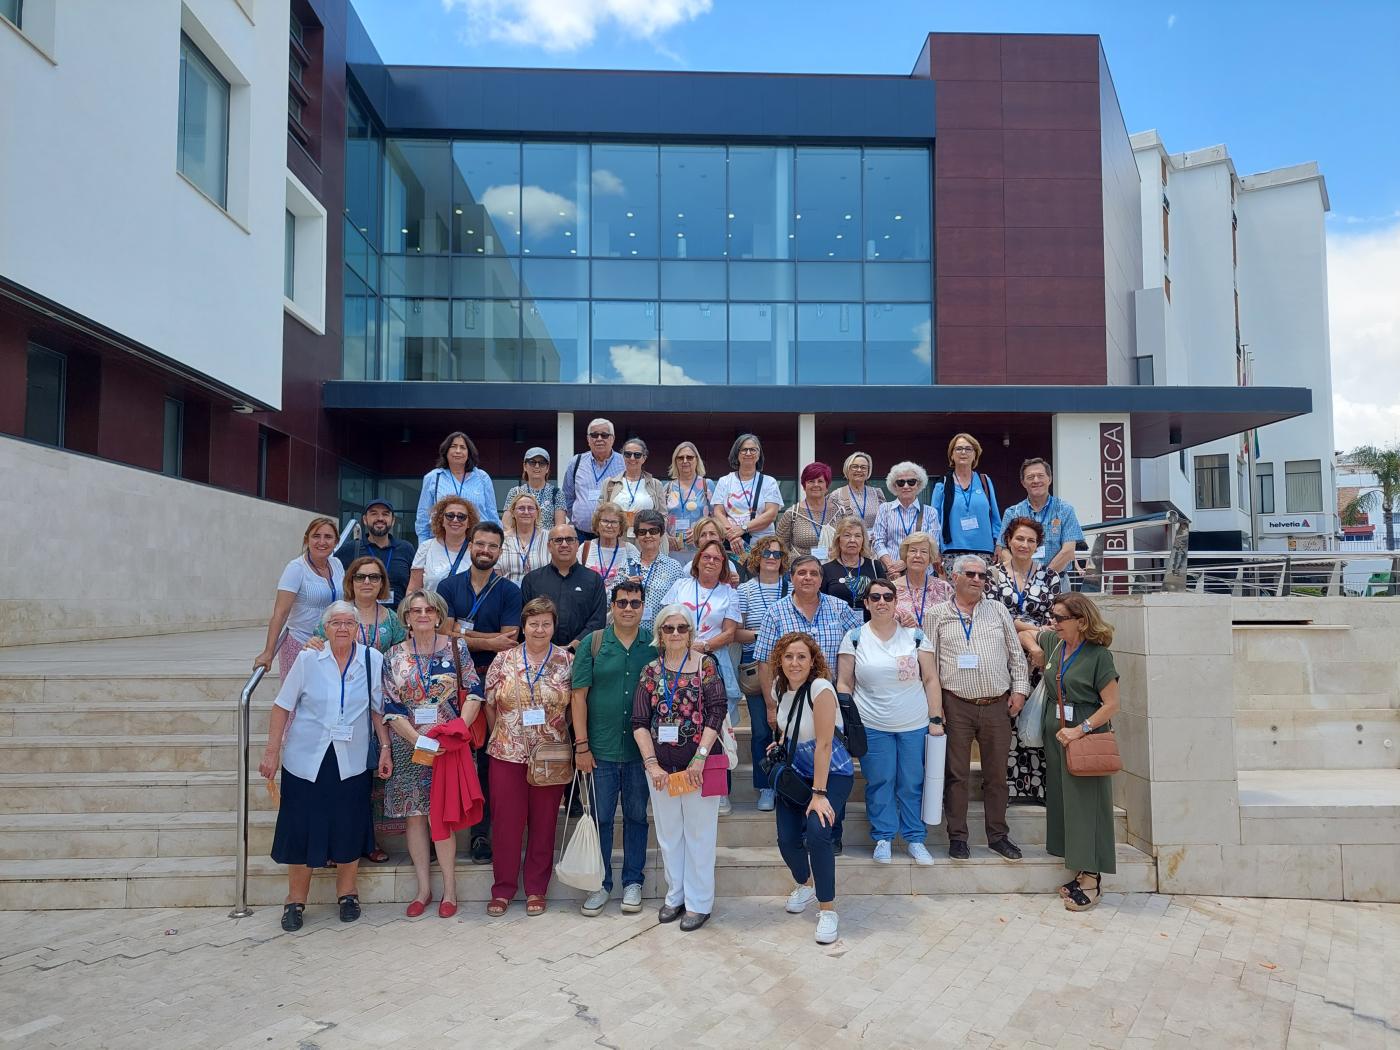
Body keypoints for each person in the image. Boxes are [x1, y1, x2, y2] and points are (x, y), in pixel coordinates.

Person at [259, 601, 391, 931]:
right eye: (336, 623)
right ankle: (295, 901)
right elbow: (281, 707)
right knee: (300, 828)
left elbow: (377, 710)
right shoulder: (308, 659)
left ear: (358, 628)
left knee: (348, 825)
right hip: (307, 759)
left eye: (349, 622)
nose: (343, 628)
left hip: (351, 759)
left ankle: (348, 893)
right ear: (325, 628)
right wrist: (271, 752)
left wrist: (386, 748)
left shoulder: (372, 660)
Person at [381, 590, 483, 919]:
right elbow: (391, 706)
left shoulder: (456, 647)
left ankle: (450, 891)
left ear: (438, 615)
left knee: (443, 816)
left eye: (428, 610)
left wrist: (457, 729)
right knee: (415, 816)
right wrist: (418, 741)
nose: (422, 615)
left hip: (449, 746)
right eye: (415, 611)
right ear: (406, 618)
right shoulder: (393, 655)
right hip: (410, 746)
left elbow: (474, 691)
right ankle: (423, 889)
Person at [920, 554, 1030, 862]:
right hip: (956, 704)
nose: (977, 579)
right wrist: (935, 710)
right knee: (956, 775)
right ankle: (958, 837)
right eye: (970, 574)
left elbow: (1014, 654)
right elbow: (928, 666)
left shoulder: (997, 610)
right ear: (954, 577)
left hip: (997, 704)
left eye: (983, 575)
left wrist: (1020, 691)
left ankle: (998, 836)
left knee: (996, 775)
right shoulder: (937, 614)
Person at [753, 554, 861, 853]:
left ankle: (831, 831)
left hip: (829, 705)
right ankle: (801, 829)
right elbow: (763, 661)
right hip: (792, 705)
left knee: (831, 768)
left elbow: (865, 634)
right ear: (792, 577)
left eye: (814, 573)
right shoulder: (776, 612)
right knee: (798, 768)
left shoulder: (839, 608)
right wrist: (771, 706)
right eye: (802, 572)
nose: (808, 578)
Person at [631, 605, 726, 932]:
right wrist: (652, 764)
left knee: (700, 835)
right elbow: (640, 722)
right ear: (659, 633)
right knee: (670, 835)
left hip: (700, 767)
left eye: (681, 628)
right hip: (663, 770)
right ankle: (676, 896)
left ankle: (700, 903)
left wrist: (699, 757)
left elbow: (717, 711)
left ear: (691, 632)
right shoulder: (650, 671)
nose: (675, 634)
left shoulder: (706, 666)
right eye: (668, 628)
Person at [835, 579, 943, 866]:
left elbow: (931, 679)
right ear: (867, 603)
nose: (881, 601)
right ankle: (883, 837)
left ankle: (915, 838)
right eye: (875, 597)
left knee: (911, 782)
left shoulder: (916, 636)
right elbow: (844, 682)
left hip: (914, 722)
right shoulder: (855, 637)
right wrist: (847, 721)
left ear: (896, 602)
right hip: (872, 724)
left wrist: (936, 718)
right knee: (880, 781)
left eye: (887, 596)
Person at [310, 556, 407, 865]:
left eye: (375, 577)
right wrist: (312, 643)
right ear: (350, 581)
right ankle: (329, 845)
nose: (367, 582)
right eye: (361, 576)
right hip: (340, 708)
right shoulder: (338, 615)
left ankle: (367, 841)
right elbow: (316, 647)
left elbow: (402, 657)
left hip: (378, 707)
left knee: (370, 780)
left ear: (382, 583)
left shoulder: (391, 619)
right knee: (336, 779)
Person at [483, 597, 575, 916]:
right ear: (523, 626)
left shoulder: (566, 660)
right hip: (506, 754)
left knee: (544, 823)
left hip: (551, 755)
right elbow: (490, 703)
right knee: (507, 824)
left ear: (554, 626)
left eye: (545, 623)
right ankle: (503, 889)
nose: (539, 629)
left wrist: (559, 735)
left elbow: (574, 707)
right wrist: (506, 734)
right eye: (533, 623)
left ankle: (536, 888)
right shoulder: (504, 659)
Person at [437, 521, 523, 864]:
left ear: (500, 552)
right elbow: (444, 633)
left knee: (487, 759)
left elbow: (509, 640)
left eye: (492, 546)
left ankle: (481, 833)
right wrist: (485, 639)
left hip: (492, 681)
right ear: (469, 546)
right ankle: (440, 828)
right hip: (451, 682)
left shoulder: (509, 590)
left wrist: (463, 633)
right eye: (480, 544)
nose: (485, 550)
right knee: (450, 753)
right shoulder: (449, 585)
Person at [571, 579, 657, 916]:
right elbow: (578, 697)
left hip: (641, 751)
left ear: (643, 606)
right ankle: (601, 884)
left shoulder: (654, 643)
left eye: (635, 603)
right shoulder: (593, 644)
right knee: (601, 819)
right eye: (622, 603)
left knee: (636, 817)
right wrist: (581, 746)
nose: (628, 609)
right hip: (600, 749)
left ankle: (633, 881)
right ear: (612, 605)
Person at [768, 631, 851, 946]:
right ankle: (805, 883)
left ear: (813, 660)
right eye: (788, 656)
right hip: (796, 773)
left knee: (817, 833)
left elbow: (825, 744)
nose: (794, 662)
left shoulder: (821, 688)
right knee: (787, 839)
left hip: (831, 775)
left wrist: (818, 794)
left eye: (801, 656)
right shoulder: (782, 690)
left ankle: (827, 910)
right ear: (780, 660)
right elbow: (791, 730)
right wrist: (778, 745)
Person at [1039, 593, 1120, 911]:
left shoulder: (1099, 656)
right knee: (1066, 803)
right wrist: (1033, 645)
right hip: (1057, 740)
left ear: (1081, 621)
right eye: (1052, 616)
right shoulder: (1055, 644)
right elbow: (1027, 630)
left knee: (1088, 806)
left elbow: (1112, 704)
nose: (1053, 622)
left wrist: (1079, 730)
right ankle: (1079, 868)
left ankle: (1093, 878)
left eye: (1060, 618)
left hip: (1083, 738)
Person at [660, 539, 741, 814]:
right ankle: (679, 781)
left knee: (716, 723)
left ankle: (720, 789)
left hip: (712, 661)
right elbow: (664, 619)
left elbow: (730, 632)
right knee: (681, 719)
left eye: (717, 559)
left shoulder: (728, 593)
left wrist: (702, 646)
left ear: (723, 565)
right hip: (675, 661)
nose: (710, 562)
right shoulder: (681, 586)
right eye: (705, 557)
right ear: (696, 561)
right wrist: (680, 643)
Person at [987, 516, 1063, 804]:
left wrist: (1034, 640)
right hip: (1004, 657)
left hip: (1040, 661)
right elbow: (997, 616)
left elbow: (1053, 620)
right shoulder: (992, 575)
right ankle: (1006, 789)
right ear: (1009, 540)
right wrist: (1031, 638)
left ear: (1038, 545)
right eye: (1020, 538)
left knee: (1038, 719)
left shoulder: (1050, 577)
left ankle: (1040, 788)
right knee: (1008, 723)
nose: (1025, 544)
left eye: (1031, 540)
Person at [735, 537, 789, 812]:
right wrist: (765, 634)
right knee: (760, 730)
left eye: (777, 554)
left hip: (789, 667)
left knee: (790, 730)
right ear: (757, 556)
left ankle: (789, 784)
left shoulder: (790, 587)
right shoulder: (745, 591)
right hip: (756, 665)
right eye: (766, 553)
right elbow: (737, 632)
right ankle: (765, 786)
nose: (771, 558)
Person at [254, 517, 346, 677]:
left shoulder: (337, 564)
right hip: (301, 643)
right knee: (297, 698)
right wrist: (268, 652)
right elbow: (280, 614)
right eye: (316, 536)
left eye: (328, 537)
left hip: (330, 645)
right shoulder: (296, 568)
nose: (322, 542)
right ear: (307, 539)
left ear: (336, 542)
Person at [520, 523, 607, 651]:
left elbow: (598, 620)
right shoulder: (532, 580)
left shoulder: (594, 580)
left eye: (570, 540)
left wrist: (575, 645)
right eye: (558, 540)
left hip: (582, 655)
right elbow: (524, 618)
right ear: (549, 546)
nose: (564, 544)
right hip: (540, 654)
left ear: (577, 545)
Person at [928, 433, 1003, 573]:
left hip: (984, 551)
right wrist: (935, 550)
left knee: (982, 593)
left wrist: (999, 544)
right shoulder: (942, 484)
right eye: (958, 449)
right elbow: (933, 521)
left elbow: (995, 518)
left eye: (968, 449)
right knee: (954, 593)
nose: (963, 452)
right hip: (952, 551)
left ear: (975, 454)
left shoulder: (984, 481)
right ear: (951, 455)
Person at [1000, 458, 1085, 579]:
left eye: (1040, 476)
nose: (1036, 480)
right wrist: (1020, 576)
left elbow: (1068, 551)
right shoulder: (1012, 513)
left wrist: (1042, 578)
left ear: (1049, 479)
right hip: (1020, 581)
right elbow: (1004, 550)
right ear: (1023, 483)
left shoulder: (1065, 510)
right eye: (1030, 477)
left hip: (1056, 580)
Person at [414, 431, 500, 542]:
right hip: (442, 543)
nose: (458, 451)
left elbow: (491, 514)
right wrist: (423, 545)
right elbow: (423, 516)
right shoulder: (433, 477)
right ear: (446, 451)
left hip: (477, 542)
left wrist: (494, 541)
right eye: (453, 447)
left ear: (469, 453)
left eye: (463, 447)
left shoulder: (482, 477)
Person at [712, 433, 783, 556]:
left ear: (759, 454)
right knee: (732, 575)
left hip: (762, 547)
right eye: (744, 450)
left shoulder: (769, 482)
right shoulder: (725, 481)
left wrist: (743, 529)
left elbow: (771, 514)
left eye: (753, 450)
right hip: (733, 545)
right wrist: (733, 536)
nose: (748, 453)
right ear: (737, 453)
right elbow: (718, 512)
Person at [334, 498, 415, 605]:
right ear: (365, 519)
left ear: (393, 520)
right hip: (360, 617)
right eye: (374, 514)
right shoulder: (350, 549)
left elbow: (416, 585)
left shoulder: (406, 549)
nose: (380, 518)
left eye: (385, 514)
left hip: (398, 618)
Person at [621, 509, 686, 633]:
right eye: (642, 532)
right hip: (630, 635)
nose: (648, 536)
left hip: (662, 636)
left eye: (653, 531)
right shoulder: (627, 565)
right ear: (636, 535)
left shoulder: (674, 567)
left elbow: (681, 605)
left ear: (661, 534)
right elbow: (610, 601)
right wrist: (624, 588)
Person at [561, 418, 623, 540]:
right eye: (594, 435)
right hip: (580, 535)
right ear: (588, 439)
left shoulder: (624, 464)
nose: (599, 438)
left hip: (614, 535)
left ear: (613, 439)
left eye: (604, 435)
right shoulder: (576, 462)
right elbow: (567, 496)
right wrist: (578, 518)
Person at [871, 461, 935, 576]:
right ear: (894, 485)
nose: (906, 486)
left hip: (921, 573)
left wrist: (905, 563)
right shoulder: (884, 509)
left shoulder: (930, 512)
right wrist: (891, 566)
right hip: (890, 573)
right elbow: (878, 541)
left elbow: (933, 545)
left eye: (911, 482)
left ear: (918, 484)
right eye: (901, 482)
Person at [408, 497, 480, 595]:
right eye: (450, 516)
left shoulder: (477, 550)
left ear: (469, 523)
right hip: (432, 609)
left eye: (461, 517)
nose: (455, 520)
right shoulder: (426, 547)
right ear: (441, 520)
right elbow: (413, 590)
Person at [601, 437, 667, 541]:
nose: (632, 458)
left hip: (647, 539)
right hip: (618, 539)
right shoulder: (609, 484)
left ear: (644, 458)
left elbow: (663, 517)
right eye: (628, 454)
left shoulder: (655, 484)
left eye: (637, 455)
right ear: (623, 457)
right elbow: (600, 514)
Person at [663, 440, 716, 563]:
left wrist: (700, 531)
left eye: (690, 457)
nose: (685, 461)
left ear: (696, 460)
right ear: (675, 461)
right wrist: (665, 537)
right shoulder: (667, 488)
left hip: (700, 548)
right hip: (673, 550)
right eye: (680, 458)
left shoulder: (706, 485)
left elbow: (715, 517)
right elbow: (661, 517)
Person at [775, 462, 842, 559]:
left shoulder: (839, 512)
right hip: (802, 570)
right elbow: (780, 546)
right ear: (804, 485)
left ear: (827, 486)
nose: (816, 485)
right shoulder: (792, 513)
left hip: (833, 569)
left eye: (820, 481)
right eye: (811, 481)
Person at [820, 517, 886, 613]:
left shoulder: (875, 566)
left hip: (870, 625)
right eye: (847, 535)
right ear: (838, 540)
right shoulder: (826, 569)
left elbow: (885, 597)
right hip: (838, 625)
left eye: (858, 536)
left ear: (863, 540)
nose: (852, 540)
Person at [891, 532, 953, 631]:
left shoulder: (944, 588)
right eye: (913, 551)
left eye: (924, 552)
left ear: (930, 558)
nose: (918, 555)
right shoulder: (891, 589)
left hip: (935, 644)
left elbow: (954, 622)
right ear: (905, 555)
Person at [578, 502, 640, 590]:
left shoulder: (630, 550)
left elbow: (637, 580)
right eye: (605, 521)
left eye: (614, 522)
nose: (609, 526)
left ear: (621, 527)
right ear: (597, 524)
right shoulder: (585, 548)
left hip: (619, 602)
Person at [503, 447, 568, 529]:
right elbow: (506, 525)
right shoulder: (515, 492)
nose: (537, 466)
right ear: (525, 466)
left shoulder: (557, 494)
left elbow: (560, 527)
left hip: (547, 541)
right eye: (532, 462)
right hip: (520, 540)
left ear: (547, 468)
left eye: (542, 463)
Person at [498, 489, 551, 585]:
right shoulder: (501, 539)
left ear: (537, 513)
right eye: (521, 508)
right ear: (513, 513)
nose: (526, 512)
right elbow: (496, 573)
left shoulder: (549, 538)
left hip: (540, 595)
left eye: (530, 508)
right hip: (508, 595)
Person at [828, 451, 884, 533]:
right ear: (847, 469)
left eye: (863, 467)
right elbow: (831, 528)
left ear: (868, 471)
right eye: (855, 466)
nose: (859, 470)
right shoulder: (836, 495)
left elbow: (884, 522)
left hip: (873, 543)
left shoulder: (877, 493)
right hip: (849, 543)